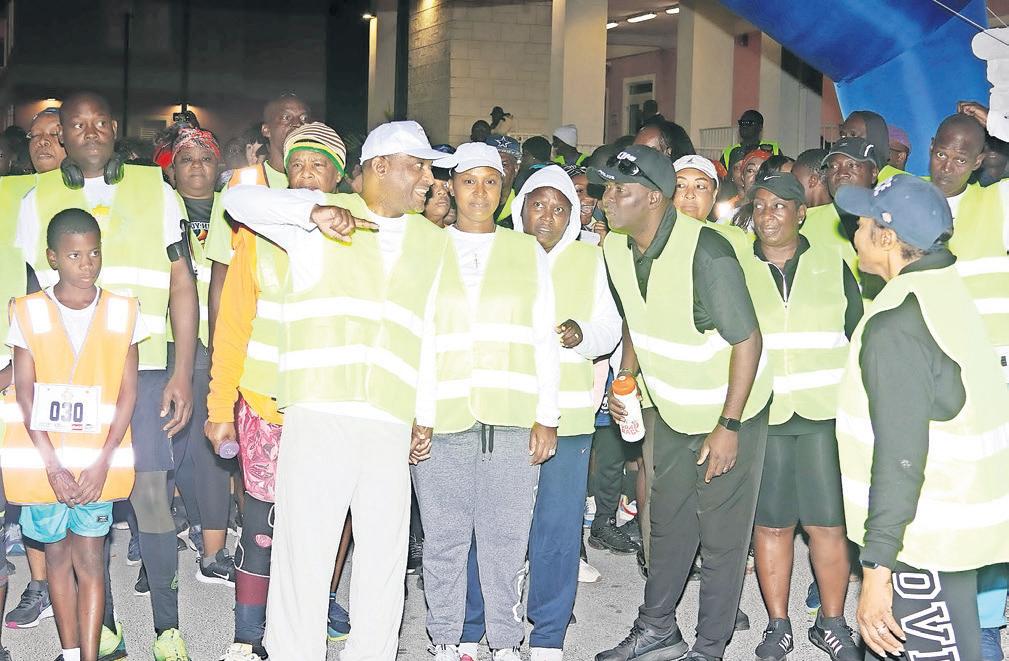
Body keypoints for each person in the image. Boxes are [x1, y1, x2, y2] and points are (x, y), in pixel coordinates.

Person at [221, 119, 449, 661]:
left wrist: (425, 412)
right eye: (418, 167)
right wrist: (311, 211)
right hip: (319, 409)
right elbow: (238, 201)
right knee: (305, 550)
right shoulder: (321, 215)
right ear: (379, 167)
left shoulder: (432, 241)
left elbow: (429, 331)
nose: (429, 179)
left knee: (385, 558)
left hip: (389, 417)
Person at [14, 91, 197, 660]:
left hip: (143, 367)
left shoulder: (155, 188)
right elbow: (31, 294)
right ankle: (105, 632)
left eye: (99, 122)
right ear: (61, 135)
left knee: (149, 495)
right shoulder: (37, 199)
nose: (90, 131)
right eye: (77, 124)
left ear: (115, 128)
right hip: (66, 377)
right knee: (81, 509)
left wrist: (184, 371)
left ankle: (167, 629)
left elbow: (183, 282)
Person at [593, 145, 772, 661]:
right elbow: (635, 314)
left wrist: (729, 426)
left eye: (619, 190)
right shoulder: (615, 247)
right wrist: (626, 376)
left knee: (720, 538)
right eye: (607, 189)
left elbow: (748, 340)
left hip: (730, 413)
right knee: (668, 524)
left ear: (654, 197)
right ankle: (658, 630)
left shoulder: (706, 252)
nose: (607, 199)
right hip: (673, 410)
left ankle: (709, 647)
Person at [834, 174, 1009, 661]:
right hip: (952, 520)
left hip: (924, 537)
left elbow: (901, 456)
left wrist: (877, 569)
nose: (854, 230)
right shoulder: (945, 287)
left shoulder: (897, 323)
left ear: (887, 238)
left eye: (863, 222)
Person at [459, 165, 622, 661]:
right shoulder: (497, 250)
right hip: (503, 412)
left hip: (567, 419)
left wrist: (582, 335)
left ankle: (548, 632)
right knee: (489, 525)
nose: (547, 217)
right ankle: (474, 622)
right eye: (538, 205)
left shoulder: (589, 259)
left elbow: (610, 329)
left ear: (573, 217)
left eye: (559, 209)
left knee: (557, 528)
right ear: (521, 207)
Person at [207, 122, 353, 661]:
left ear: (339, 177)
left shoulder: (358, 237)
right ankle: (248, 635)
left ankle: (314, 611)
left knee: (322, 523)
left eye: (319, 165)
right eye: (296, 166)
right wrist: (220, 406)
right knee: (262, 526)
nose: (306, 175)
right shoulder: (256, 231)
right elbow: (232, 326)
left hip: (328, 407)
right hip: (264, 405)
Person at [408, 143, 557, 661]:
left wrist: (547, 416)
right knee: (444, 541)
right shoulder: (427, 246)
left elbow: (543, 338)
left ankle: (506, 643)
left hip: (513, 420)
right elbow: (419, 337)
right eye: (468, 181)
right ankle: (445, 639)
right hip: (442, 419)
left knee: (506, 542)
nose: (479, 192)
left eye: (490, 181)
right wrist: (420, 415)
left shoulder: (527, 251)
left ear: (503, 190)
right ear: (450, 186)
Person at [5, 209, 144, 661]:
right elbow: (24, 391)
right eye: (74, 255)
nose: (87, 264)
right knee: (57, 561)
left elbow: (127, 393)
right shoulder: (28, 311)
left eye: (94, 253)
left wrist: (103, 460)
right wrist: (52, 466)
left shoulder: (123, 310)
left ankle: (89, 655)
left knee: (91, 562)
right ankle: (68, 652)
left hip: (95, 467)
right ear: (52, 258)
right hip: (45, 466)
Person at [739, 172, 863, 661]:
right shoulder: (737, 267)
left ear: (801, 213)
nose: (767, 216)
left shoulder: (834, 263)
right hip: (764, 415)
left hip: (822, 417)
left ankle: (832, 623)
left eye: (779, 206)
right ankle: (778, 625)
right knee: (771, 525)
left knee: (827, 526)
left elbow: (857, 336)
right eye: (760, 206)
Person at [928, 112, 1009, 660]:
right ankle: (935, 610)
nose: (948, 165)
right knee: (937, 500)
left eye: (963, 157)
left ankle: (984, 622)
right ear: (930, 147)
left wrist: (1000, 118)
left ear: (980, 161)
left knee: (991, 503)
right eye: (942, 152)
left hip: (991, 382)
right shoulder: (905, 204)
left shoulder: (998, 203)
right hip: (928, 380)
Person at [167, 127, 237, 587]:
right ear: (172, 170)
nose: (196, 166)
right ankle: (164, 535)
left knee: (212, 443)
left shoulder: (235, 211)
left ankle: (213, 551)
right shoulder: (160, 208)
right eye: (186, 159)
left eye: (206, 158)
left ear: (218, 167)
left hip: (223, 343)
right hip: (170, 342)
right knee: (172, 444)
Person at [838, 110, 894, 179]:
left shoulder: (897, 181)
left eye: (853, 136)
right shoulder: (838, 175)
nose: (844, 141)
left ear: (874, 139)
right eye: (843, 136)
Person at [486, 135, 521, 226]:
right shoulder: (474, 201)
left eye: (504, 164)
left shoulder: (522, 206)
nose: (498, 169)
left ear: (516, 169)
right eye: (492, 163)